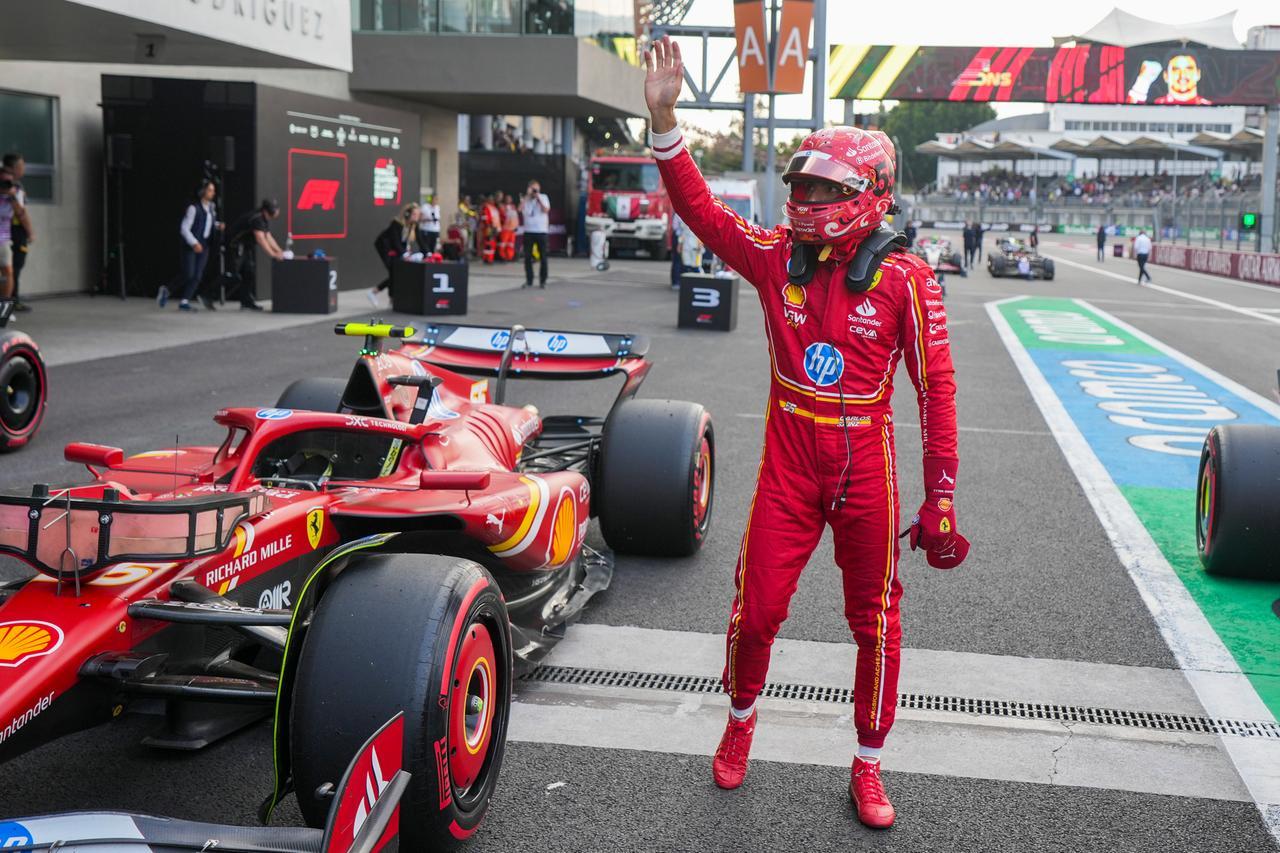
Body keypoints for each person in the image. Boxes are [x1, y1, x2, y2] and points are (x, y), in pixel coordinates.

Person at [645, 37, 968, 831]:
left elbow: (938, 391)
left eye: (826, 184)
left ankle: (867, 765)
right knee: (755, 613)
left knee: (877, 622)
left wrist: (943, 493)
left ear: (872, 193)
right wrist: (663, 119)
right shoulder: (775, 255)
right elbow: (702, 213)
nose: (808, 195)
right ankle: (741, 718)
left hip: (868, 469)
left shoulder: (907, 277)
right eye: (803, 182)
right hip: (789, 465)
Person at [168, 179, 221, 312]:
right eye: (210, 190)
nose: (212, 193)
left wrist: (217, 225)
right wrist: (194, 242)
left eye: (213, 191)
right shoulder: (193, 208)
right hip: (191, 243)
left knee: (198, 275)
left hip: (205, 244)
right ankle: (168, 289)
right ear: (202, 191)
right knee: (188, 273)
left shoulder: (212, 207)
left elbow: (208, 222)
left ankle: (185, 300)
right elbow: (184, 228)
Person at [225, 199, 283, 310]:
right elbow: (261, 239)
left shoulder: (264, 219)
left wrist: (279, 251)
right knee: (233, 274)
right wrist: (272, 254)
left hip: (246, 246)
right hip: (235, 244)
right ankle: (208, 294)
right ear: (266, 211)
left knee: (249, 273)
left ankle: (246, 301)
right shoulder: (256, 218)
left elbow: (268, 237)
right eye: (272, 213)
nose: (273, 215)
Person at [369, 203, 420, 306]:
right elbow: (395, 241)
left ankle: (377, 293)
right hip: (385, 249)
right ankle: (389, 298)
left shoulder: (412, 226)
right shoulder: (396, 224)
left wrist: (426, 253)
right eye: (414, 214)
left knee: (396, 273)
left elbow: (410, 242)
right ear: (407, 214)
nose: (416, 217)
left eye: (417, 215)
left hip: (396, 250)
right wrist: (404, 254)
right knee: (395, 272)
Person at [3, 154, 33, 311]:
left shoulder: (16, 187)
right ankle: (10, 304)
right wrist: (30, 232)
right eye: (21, 166)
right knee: (9, 269)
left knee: (12, 269)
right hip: (12, 232)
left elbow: (21, 211)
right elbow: (21, 214)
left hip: (9, 234)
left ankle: (9, 306)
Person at [521, 180, 550, 288]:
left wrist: (538, 198)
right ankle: (529, 280)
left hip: (541, 231)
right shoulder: (526, 199)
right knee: (527, 257)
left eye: (535, 189)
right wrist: (526, 197)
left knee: (543, 257)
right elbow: (520, 209)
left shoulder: (544, 197)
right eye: (532, 189)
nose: (534, 191)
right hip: (529, 231)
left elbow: (546, 209)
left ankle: (543, 281)